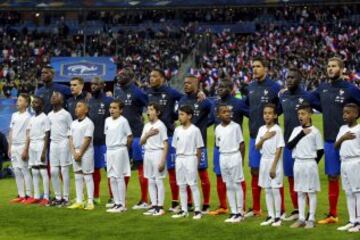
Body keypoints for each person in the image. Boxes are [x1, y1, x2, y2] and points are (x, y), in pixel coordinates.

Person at [311, 57, 360, 224]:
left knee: (354, 180)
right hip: (330, 140)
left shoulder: (351, 89)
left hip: (350, 141)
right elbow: (309, 99)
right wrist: (287, 90)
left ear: (342, 69)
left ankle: (356, 218)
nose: (330, 69)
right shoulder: (322, 88)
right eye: (328, 66)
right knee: (333, 176)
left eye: (334, 66)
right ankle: (333, 214)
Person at [244, 57, 284, 218]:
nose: (254, 69)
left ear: (265, 69)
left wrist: (270, 124)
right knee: (255, 171)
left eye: (258, 66)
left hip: (272, 136)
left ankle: (279, 211)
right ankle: (256, 209)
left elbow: (280, 108)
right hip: (255, 135)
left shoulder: (275, 87)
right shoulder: (250, 87)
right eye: (253, 66)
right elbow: (246, 107)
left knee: (275, 173)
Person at [279, 68, 318, 221]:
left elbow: (322, 108)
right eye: (287, 77)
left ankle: (310, 211)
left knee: (307, 181)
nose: (289, 80)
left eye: (292, 77)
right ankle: (296, 210)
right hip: (289, 143)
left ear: (299, 79)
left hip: (305, 145)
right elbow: (274, 111)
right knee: (291, 177)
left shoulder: (307, 96)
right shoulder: (283, 96)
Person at [209, 79, 248, 216]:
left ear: (231, 88)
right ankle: (224, 206)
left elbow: (251, 114)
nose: (220, 88)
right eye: (218, 86)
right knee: (220, 175)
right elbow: (209, 120)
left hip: (234, 149)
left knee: (237, 179)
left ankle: (240, 207)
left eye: (224, 86)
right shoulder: (215, 103)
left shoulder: (238, 103)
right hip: (218, 146)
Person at [146, 69, 183, 212]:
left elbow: (184, 100)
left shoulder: (170, 92)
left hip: (169, 135)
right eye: (150, 76)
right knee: (153, 173)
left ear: (162, 78)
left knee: (172, 170)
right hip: (152, 138)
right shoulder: (148, 93)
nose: (151, 78)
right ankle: (154, 203)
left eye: (154, 76)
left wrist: (175, 116)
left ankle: (175, 202)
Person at [113, 67, 148, 209]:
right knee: (122, 168)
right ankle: (120, 200)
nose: (119, 76)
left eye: (122, 75)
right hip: (121, 137)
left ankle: (144, 200)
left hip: (136, 135)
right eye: (118, 74)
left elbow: (151, 105)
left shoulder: (137, 92)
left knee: (141, 167)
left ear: (130, 76)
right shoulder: (119, 92)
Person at [179, 75, 212, 213]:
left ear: (197, 85)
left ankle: (206, 203)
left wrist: (203, 126)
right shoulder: (182, 100)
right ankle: (189, 202)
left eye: (189, 83)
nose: (186, 85)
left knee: (202, 173)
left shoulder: (204, 101)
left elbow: (215, 115)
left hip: (199, 144)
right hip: (185, 145)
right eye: (185, 83)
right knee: (185, 175)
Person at [287, 104, 323, 229]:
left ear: (309, 114)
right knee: (300, 191)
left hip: (309, 163)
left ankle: (311, 219)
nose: (300, 116)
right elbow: (290, 145)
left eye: (303, 114)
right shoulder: (296, 130)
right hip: (298, 163)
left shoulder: (315, 131)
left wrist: (312, 163)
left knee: (311, 192)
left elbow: (320, 150)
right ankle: (301, 218)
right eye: (299, 114)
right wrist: (301, 134)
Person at [171, 105, 204, 220]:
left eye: (182, 114)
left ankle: (197, 210)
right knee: (181, 185)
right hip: (180, 158)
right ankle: (184, 210)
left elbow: (199, 148)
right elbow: (175, 146)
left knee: (193, 185)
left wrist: (197, 162)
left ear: (189, 116)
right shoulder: (177, 130)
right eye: (179, 114)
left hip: (191, 158)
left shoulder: (195, 130)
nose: (180, 117)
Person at [215, 104, 245, 223]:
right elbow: (218, 144)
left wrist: (240, 160)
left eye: (228, 111)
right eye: (224, 112)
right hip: (223, 157)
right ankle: (233, 212)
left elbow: (242, 144)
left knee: (237, 184)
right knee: (228, 185)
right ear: (218, 115)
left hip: (234, 155)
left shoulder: (236, 127)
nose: (227, 113)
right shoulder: (217, 128)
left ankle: (240, 212)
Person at [255, 103, 284, 227]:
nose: (267, 115)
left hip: (274, 161)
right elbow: (257, 146)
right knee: (267, 189)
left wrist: (273, 167)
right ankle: (270, 216)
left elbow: (279, 149)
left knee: (275, 189)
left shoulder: (277, 129)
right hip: (264, 161)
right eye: (265, 113)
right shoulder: (261, 129)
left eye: (270, 113)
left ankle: (278, 217)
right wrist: (264, 138)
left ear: (275, 115)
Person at [335, 103, 360, 232]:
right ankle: (352, 220)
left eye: (348, 112)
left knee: (357, 192)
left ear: (356, 114)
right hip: (344, 162)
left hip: (355, 162)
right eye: (344, 112)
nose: (345, 115)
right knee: (349, 192)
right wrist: (343, 138)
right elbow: (336, 145)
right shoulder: (342, 128)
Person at [88, 77, 113, 205]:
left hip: (106, 142)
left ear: (102, 85)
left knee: (110, 170)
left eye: (96, 84)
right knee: (94, 170)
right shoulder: (89, 101)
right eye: (92, 84)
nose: (93, 86)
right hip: (93, 142)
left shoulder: (109, 101)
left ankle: (113, 196)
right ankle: (95, 196)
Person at [105, 100, 132, 213]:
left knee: (119, 176)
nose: (112, 110)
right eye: (111, 107)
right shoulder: (107, 120)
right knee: (111, 176)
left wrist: (126, 150)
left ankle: (122, 204)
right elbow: (107, 135)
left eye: (115, 108)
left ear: (120, 110)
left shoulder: (123, 121)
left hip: (119, 149)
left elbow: (129, 136)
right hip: (109, 150)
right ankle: (116, 202)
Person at [141, 102, 168, 216]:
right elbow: (141, 142)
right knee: (150, 180)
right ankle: (154, 205)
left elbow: (165, 143)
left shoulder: (161, 125)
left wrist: (162, 160)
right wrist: (147, 135)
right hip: (148, 153)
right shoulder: (146, 126)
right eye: (148, 109)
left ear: (158, 112)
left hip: (158, 153)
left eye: (152, 109)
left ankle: (160, 207)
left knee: (158, 180)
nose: (149, 112)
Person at [68, 100, 95, 210]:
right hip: (75, 152)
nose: (76, 108)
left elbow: (87, 139)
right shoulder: (73, 123)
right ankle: (79, 200)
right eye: (76, 107)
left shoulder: (89, 123)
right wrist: (74, 152)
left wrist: (80, 153)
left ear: (86, 110)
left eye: (79, 106)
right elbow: (70, 138)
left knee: (87, 175)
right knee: (78, 176)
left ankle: (90, 201)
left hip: (86, 151)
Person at [47, 92, 73, 206]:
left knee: (64, 170)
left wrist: (71, 145)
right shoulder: (49, 115)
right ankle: (58, 197)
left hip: (64, 143)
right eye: (52, 96)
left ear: (62, 101)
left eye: (56, 96)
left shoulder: (66, 114)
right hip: (53, 144)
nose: (53, 97)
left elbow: (71, 129)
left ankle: (66, 197)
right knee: (53, 171)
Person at [25, 96, 51, 206]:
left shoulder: (44, 118)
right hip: (32, 145)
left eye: (36, 103)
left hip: (41, 144)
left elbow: (47, 134)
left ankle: (46, 196)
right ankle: (36, 196)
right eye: (33, 102)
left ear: (42, 105)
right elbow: (29, 134)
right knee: (34, 170)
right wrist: (27, 148)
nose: (33, 104)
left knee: (43, 170)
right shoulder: (32, 118)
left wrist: (44, 151)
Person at [8, 93, 33, 203]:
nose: (17, 102)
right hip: (14, 147)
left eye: (20, 100)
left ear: (26, 103)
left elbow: (28, 134)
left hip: (23, 145)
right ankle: (21, 195)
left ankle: (29, 195)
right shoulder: (14, 115)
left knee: (25, 170)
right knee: (17, 170)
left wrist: (26, 149)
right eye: (17, 100)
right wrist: (9, 147)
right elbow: (11, 131)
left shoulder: (28, 117)